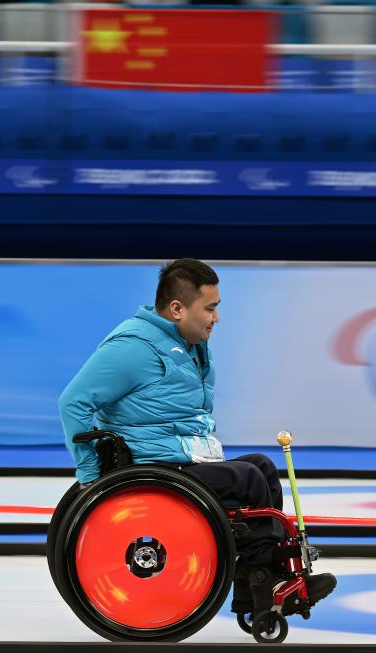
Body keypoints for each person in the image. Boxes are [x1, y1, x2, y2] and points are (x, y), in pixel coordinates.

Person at [58, 258, 335, 617]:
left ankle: (257, 583)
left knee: (262, 468)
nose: (216, 318)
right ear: (177, 309)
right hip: (152, 465)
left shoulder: (189, 345)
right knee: (247, 479)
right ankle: (265, 580)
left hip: (182, 460)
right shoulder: (133, 347)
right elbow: (73, 402)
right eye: (209, 308)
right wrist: (90, 478)